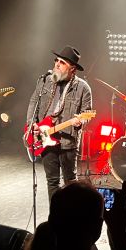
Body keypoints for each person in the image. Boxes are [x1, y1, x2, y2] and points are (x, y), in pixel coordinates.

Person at [25, 46, 93, 199]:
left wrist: (81, 122)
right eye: (56, 60)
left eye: (62, 62)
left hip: (67, 142)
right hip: (45, 137)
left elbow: (87, 114)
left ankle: (71, 213)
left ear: (72, 69)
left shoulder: (83, 88)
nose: (57, 64)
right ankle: (55, 212)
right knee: (52, 182)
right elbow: (33, 102)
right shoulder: (45, 81)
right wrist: (32, 124)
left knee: (70, 183)